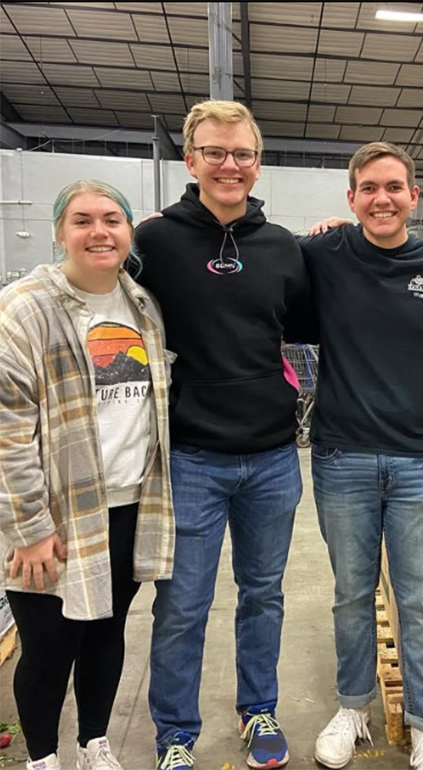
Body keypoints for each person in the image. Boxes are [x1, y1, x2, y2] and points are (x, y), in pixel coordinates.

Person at [134, 101, 311, 770]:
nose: (230, 164)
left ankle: (257, 709)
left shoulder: (283, 248)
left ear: (257, 163)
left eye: (241, 153)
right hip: (191, 459)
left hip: (271, 457)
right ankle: (175, 735)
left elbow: (300, 326)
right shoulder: (155, 242)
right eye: (215, 152)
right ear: (192, 160)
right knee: (183, 604)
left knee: (263, 596)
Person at [299, 142, 423, 770]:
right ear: (351, 198)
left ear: (414, 196)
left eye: (394, 187)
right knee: (352, 595)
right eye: (369, 188)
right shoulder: (322, 254)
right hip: (342, 458)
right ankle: (353, 708)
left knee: (420, 601)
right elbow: (268, 273)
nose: (382, 198)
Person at [0, 180, 174, 770]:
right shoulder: (26, 307)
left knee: (107, 631)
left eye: (111, 220)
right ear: (59, 232)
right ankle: (42, 758)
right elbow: (7, 427)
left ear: (130, 232)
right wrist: (27, 526)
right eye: (82, 220)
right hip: (55, 511)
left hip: (128, 502)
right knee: (50, 645)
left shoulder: (142, 305)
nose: (99, 232)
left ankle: (93, 742)